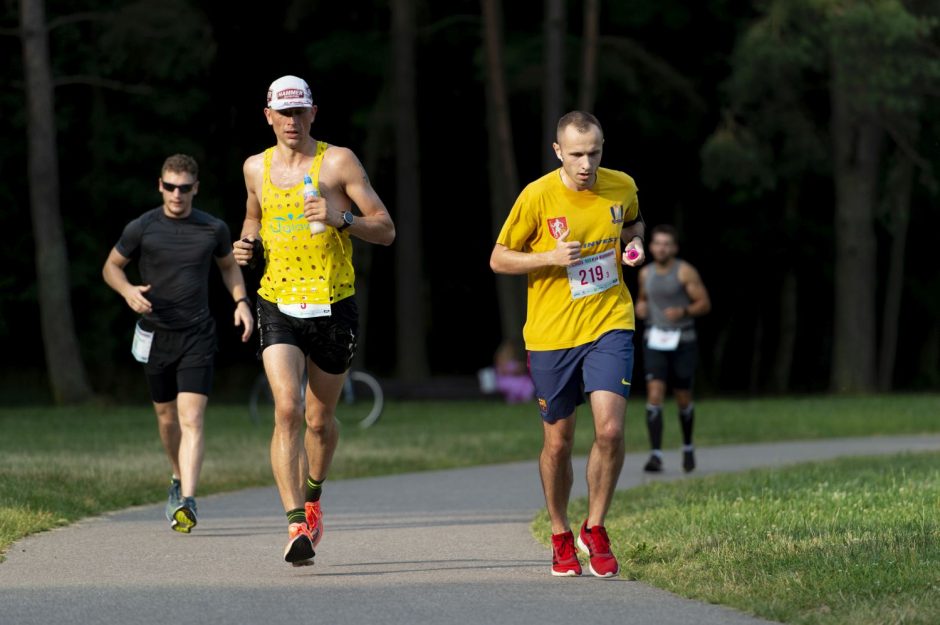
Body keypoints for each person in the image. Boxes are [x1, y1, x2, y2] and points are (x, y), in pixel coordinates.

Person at [232, 75, 395, 567]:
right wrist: (246, 242)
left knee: (319, 421)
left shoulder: (338, 161)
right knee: (287, 409)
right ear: (268, 116)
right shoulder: (254, 167)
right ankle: (294, 523)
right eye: (283, 113)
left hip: (332, 303)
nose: (292, 121)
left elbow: (386, 229)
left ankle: (314, 498)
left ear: (313, 113)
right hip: (277, 301)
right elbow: (253, 216)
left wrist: (342, 219)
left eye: (299, 112)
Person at [490, 111, 645, 578]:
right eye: (576, 154)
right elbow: (498, 258)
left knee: (611, 431)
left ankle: (594, 527)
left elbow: (634, 225)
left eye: (593, 153)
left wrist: (633, 246)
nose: (586, 163)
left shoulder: (621, 186)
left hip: (609, 321)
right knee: (558, 443)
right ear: (558, 151)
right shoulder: (536, 196)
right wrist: (548, 257)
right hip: (552, 334)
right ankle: (560, 533)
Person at [102, 154, 254, 533]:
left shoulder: (213, 228)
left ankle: (187, 499)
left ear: (195, 189)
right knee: (167, 417)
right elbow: (110, 267)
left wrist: (241, 302)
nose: (177, 194)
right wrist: (127, 291)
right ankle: (175, 475)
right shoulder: (143, 227)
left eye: (185, 188)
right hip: (156, 335)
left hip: (198, 335)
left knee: (192, 418)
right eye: (170, 187)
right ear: (160, 186)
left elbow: (228, 266)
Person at [634, 224, 711, 474]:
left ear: (674, 248)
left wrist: (684, 311)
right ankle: (655, 455)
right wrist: (640, 308)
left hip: (683, 340)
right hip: (655, 338)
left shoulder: (685, 272)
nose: (661, 248)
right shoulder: (646, 274)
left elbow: (704, 303)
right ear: (652, 246)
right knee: (654, 393)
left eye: (667, 243)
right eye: (657, 243)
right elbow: (643, 300)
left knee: (682, 396)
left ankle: (687, 445)